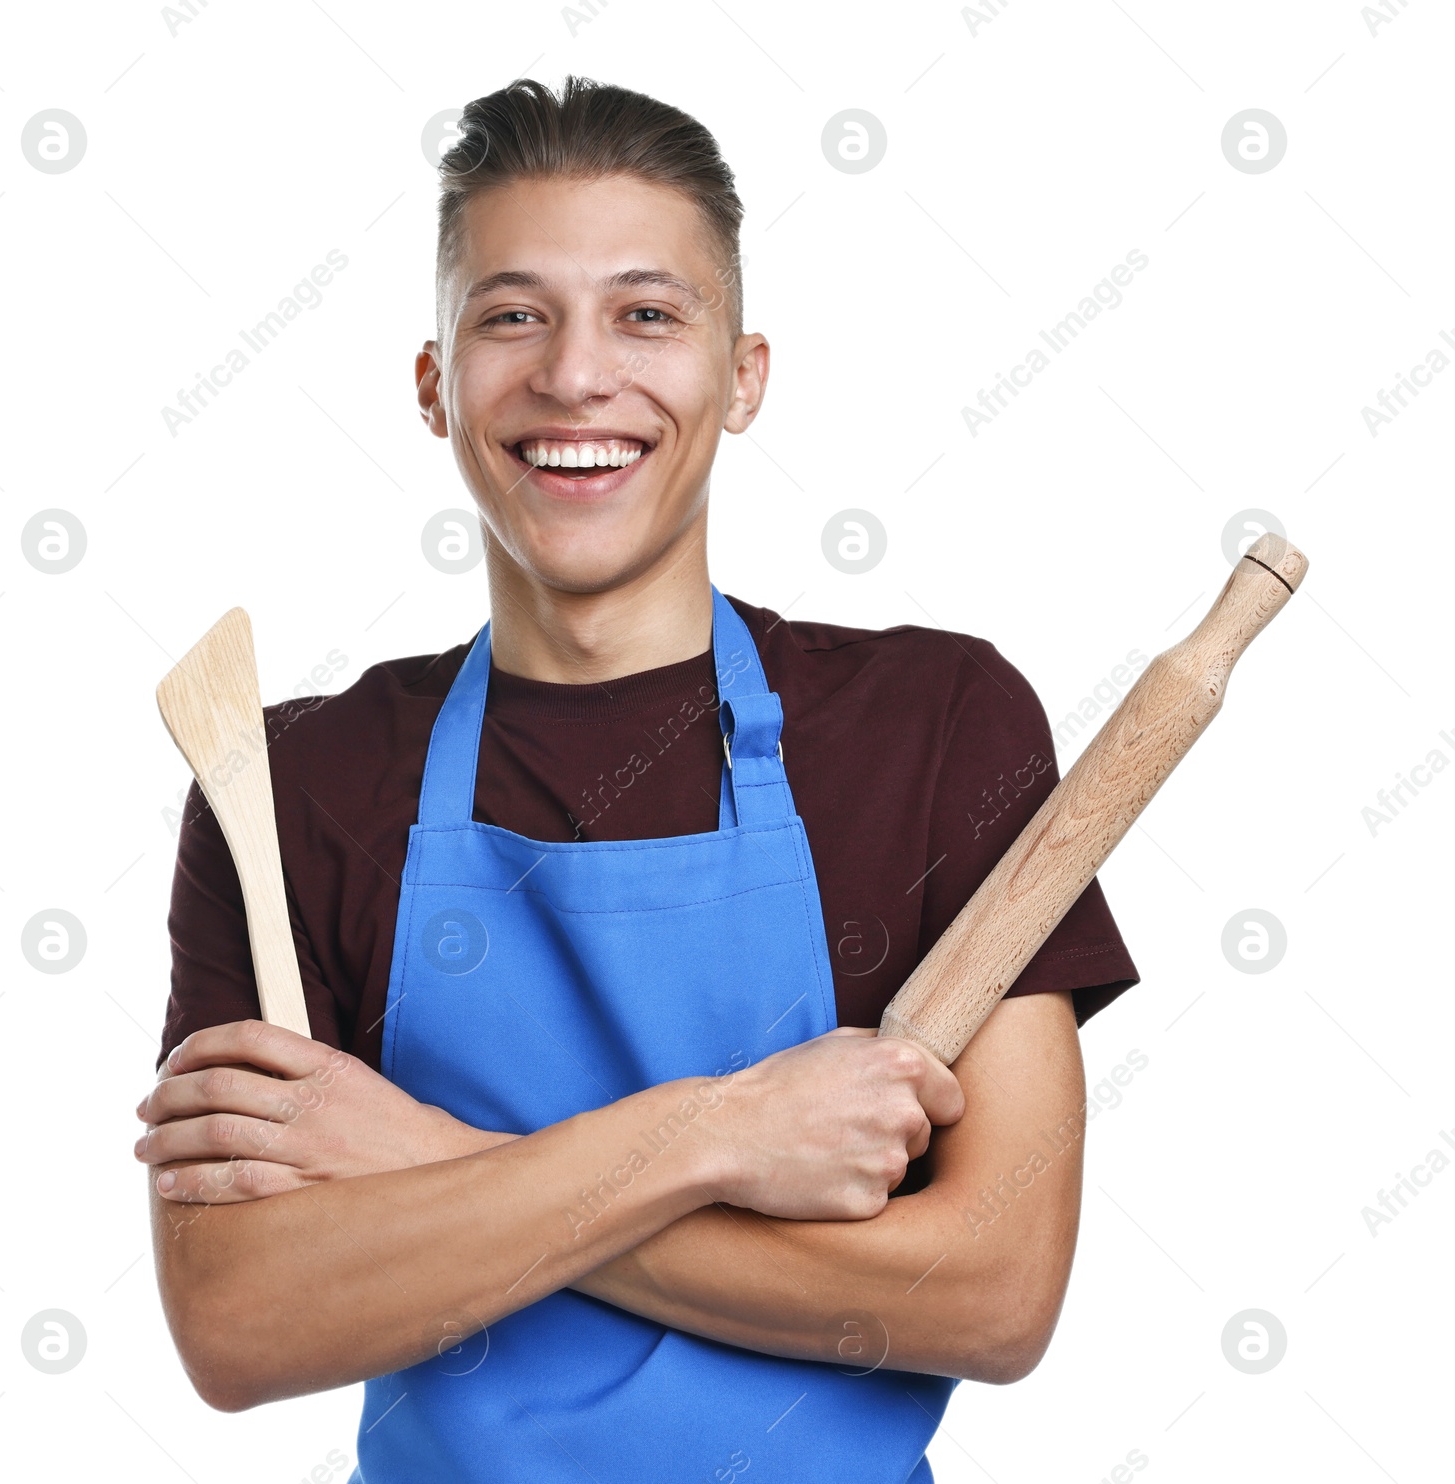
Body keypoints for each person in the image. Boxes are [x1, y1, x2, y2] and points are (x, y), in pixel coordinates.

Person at [137, 75, 1139, 1483]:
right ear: (434, 384)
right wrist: (719, 1133)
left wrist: (426, 1160)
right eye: (511, 314)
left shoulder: (939, 727)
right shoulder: (292, 780)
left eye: (647, 314)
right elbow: (242, 1325)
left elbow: (990, 1293)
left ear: (745, 376)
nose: (574, 375)